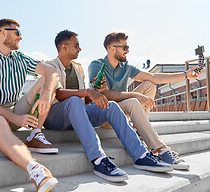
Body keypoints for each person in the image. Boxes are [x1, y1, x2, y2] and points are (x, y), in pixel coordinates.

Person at [44, 30, 173, 183]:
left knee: (110, 105)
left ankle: (141, 155)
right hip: (54, 116)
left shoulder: (78, 68)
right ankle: (99, 159)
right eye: (76, 45)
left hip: (77, 114)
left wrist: (95, 92)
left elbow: (83, 102)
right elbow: (58, 94)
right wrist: (88, 92)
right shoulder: (50, 66)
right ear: (64, 47)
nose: (80, 49)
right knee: (73, 100)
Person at [0, 18, 59, 192]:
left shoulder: (20, 58)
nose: (21, 38)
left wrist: (47, 92)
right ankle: (36, 171)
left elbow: (52, 71)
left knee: (47, 80)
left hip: (16, 108)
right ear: (1, 32)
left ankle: (35, 133)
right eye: (17, 33)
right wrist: (15, 118)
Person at [88, 32, 203, 170]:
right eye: (124, 47)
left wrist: (185, 75)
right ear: (112, 48)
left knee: (149, 85)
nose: (128, 51)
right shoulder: (97, 65)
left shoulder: (125, 67)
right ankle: (159, 149)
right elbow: (104, 94)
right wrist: (136, 95)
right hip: (104, 115)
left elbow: (153, 76)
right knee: (133, 101)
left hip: (122, 110)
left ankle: (138, 129)